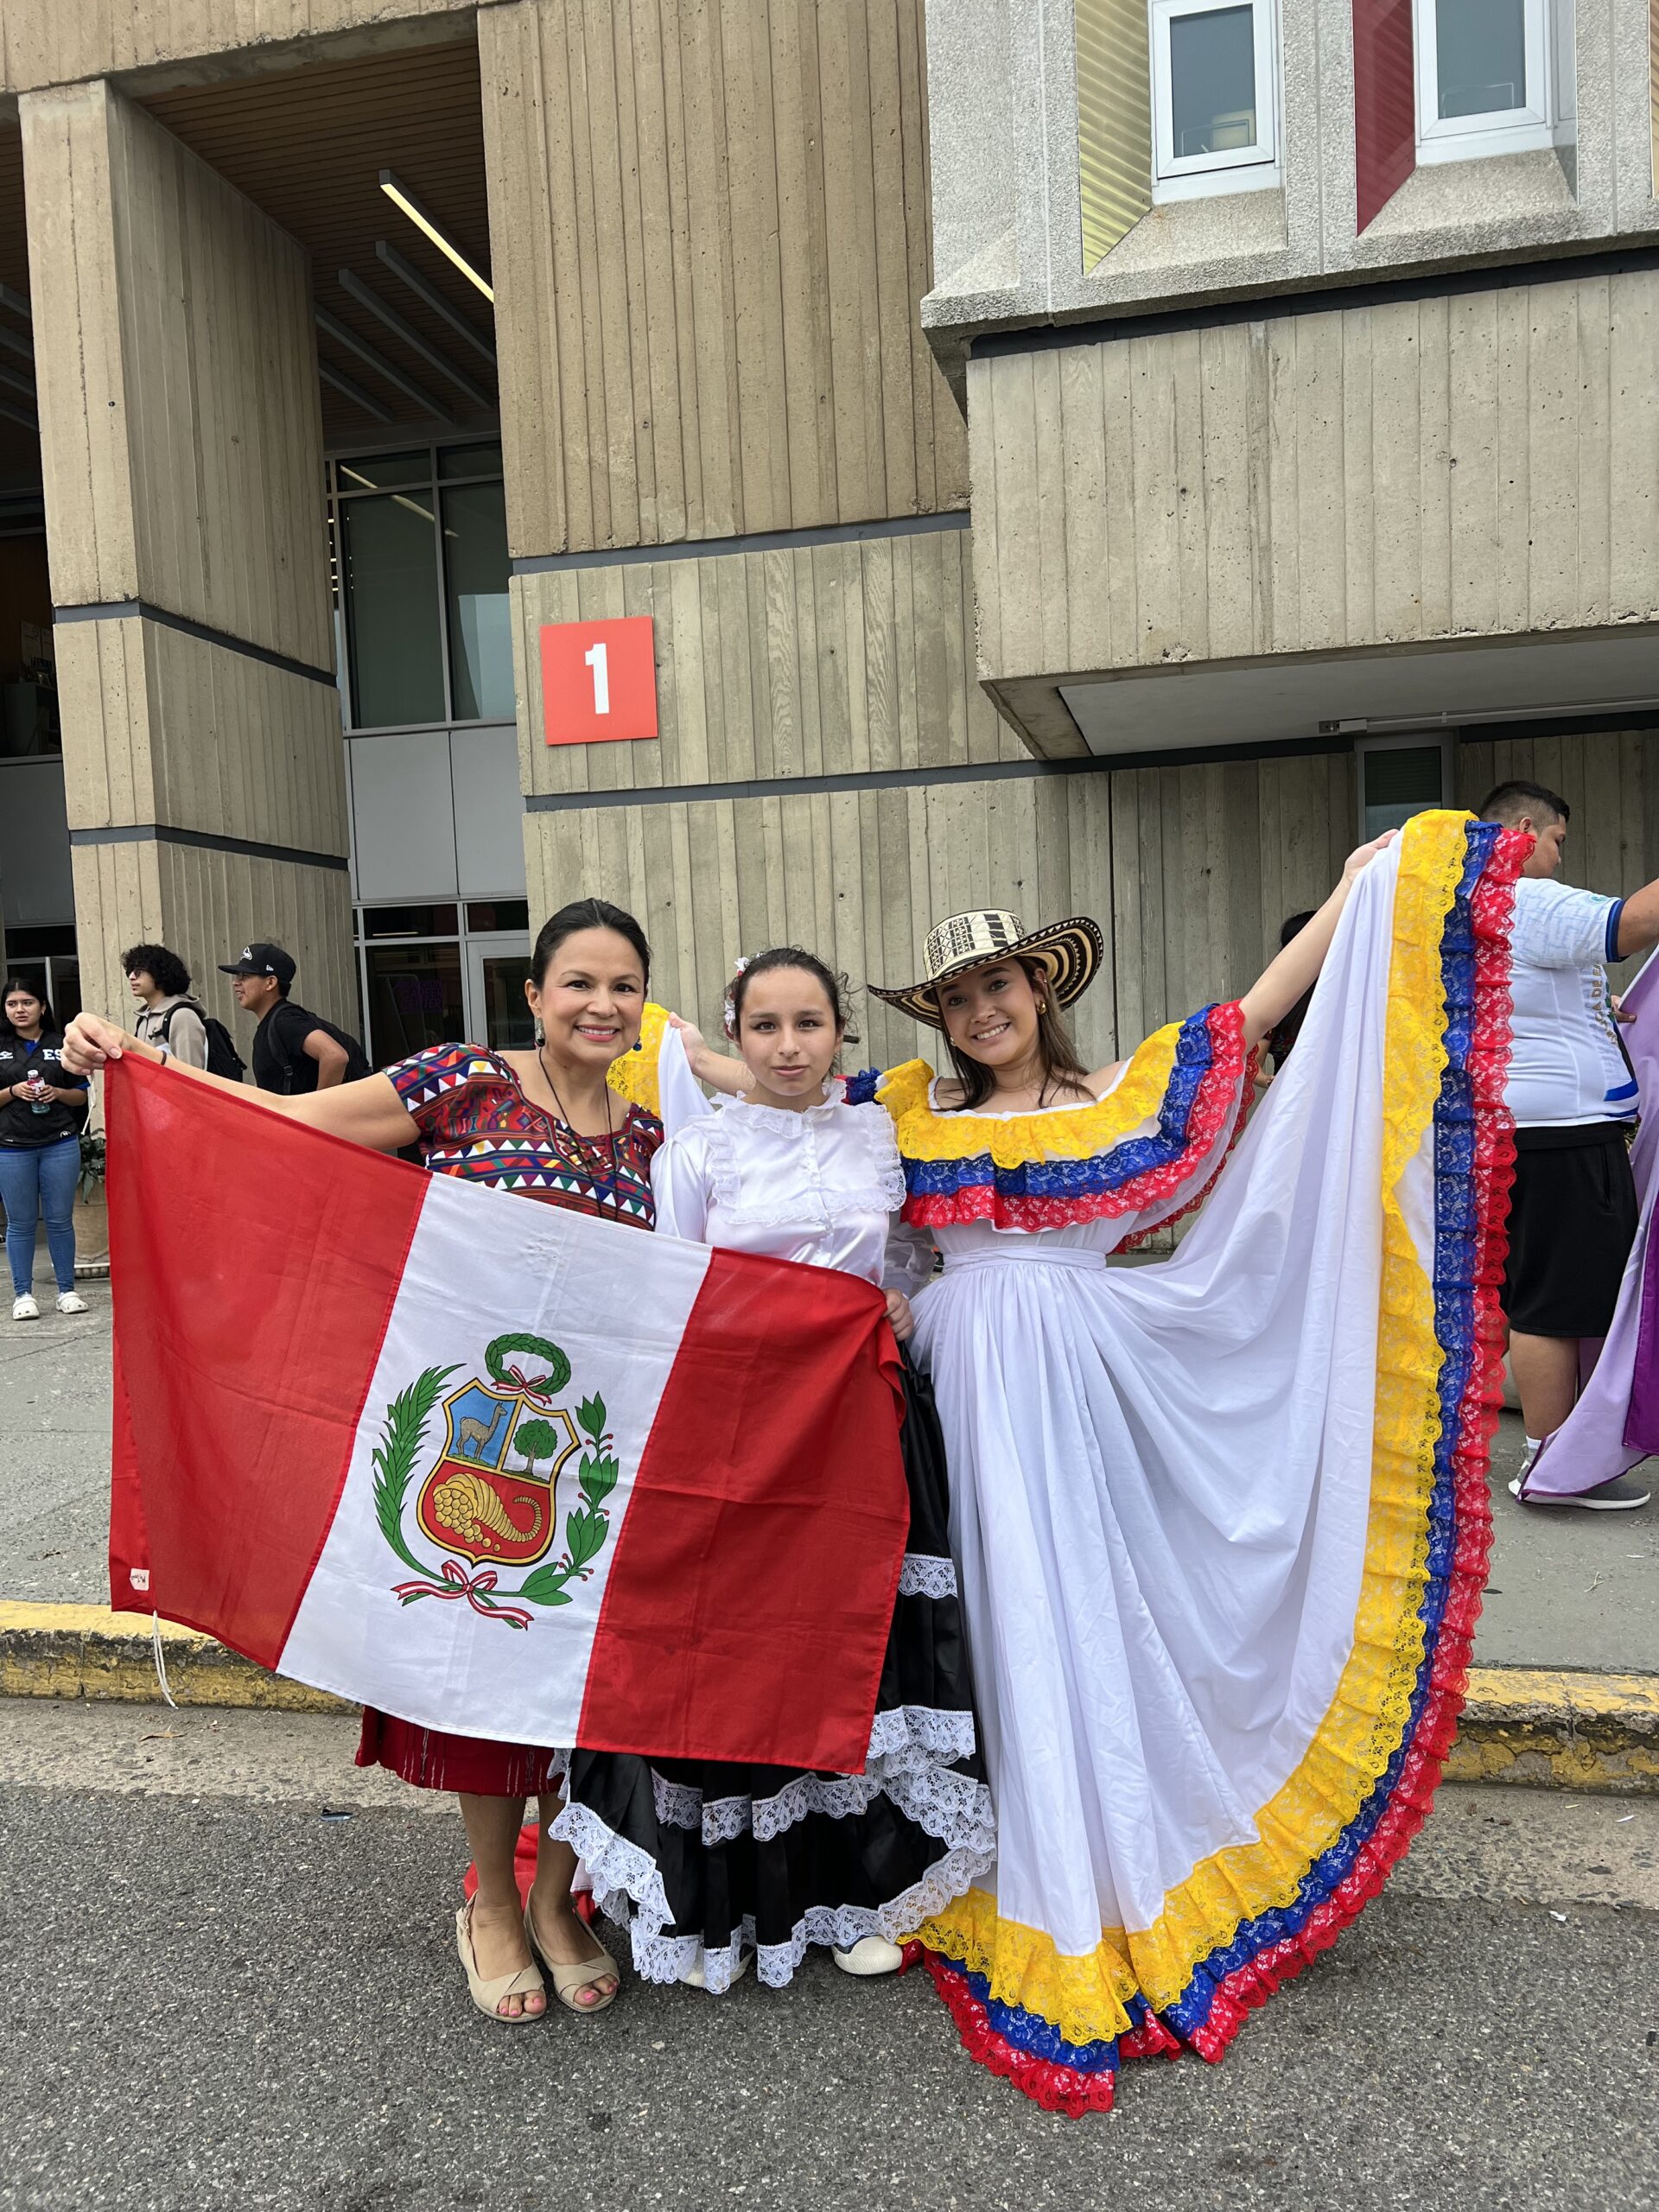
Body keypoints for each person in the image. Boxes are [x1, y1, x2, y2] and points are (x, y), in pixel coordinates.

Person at [839, 810, 1520, 2113]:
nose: (984, 1008)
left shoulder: (1117, 1101)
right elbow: (787, 1126)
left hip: (1080, 1385)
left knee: (1071, 1615)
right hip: (953, 1397)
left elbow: (1253, 1016)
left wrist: (1346, 894)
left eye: (1001, 983)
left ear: (1042, 987)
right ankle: (951, 1871)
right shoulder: (907, 1114)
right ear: (937, 1015)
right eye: (959, 995)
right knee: (966, 1631)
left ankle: (1092, 1866)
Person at [63, 899, 703, 2024]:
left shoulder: (658, 1141)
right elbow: (287, 1121)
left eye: (624, 988)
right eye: (580, 984)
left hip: (589, 1462)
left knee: (586, 1684)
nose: (602, 1006)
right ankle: (492, 1906)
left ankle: (558, 1899)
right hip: (463, 1445)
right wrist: (131, 1066)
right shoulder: (462, 1083)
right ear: (537, 993)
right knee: (481, 1673)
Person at [557, 950, 994, 1993]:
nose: (789, 1047)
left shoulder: (882, 1135)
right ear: (735, 1038)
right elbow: (678, 1297)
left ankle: (846, 1896)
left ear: (841, 1033)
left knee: (849, 1651)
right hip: (739, 1433)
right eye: (766, 1027)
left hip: (859, 1425)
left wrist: (898, 1297)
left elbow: (911, 1256)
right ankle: (735, 1903)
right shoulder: (698, 1154)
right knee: (747, 1656)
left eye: (809, 1024)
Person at [1478, 781, 1659, 1510]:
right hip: (1561, 1138)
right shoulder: (1529, 897)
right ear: (1525, 830)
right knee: (1553, 1302)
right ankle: (1552, 1465)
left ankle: (1555, 1449)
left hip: (1536, 1133)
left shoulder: (1481, 909)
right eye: (1558, 840)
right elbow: (1636, 920)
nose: (1559, 855)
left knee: (1547, 1292)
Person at [0, 977, 91, 1321]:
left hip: (59, 1143)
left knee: (59, 1220)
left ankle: (66, 1290)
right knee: (20, 1223)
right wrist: (13, 1091)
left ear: (43, 1007)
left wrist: (57, 1093)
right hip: (11, 1147)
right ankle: (23, 1294)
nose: (20, 1010)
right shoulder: (0, 1046)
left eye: (27, 1002)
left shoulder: (62, 1044)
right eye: (12, 1004)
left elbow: (81, 1093)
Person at [219, 942, 369, 1093]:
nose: (236, 982)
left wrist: (316, 1110)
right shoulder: (272, 1023)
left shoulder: (285, 1021)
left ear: (270, 983)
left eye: (245, 976)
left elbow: (335, 1056)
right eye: (237, 975)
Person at [124, 944, 210, 1070]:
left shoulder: (182, 1016)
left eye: (138, 972)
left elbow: (192, 1077)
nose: (131, 977)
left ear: (159, 973)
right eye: (130, 971)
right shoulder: (144, 1019)